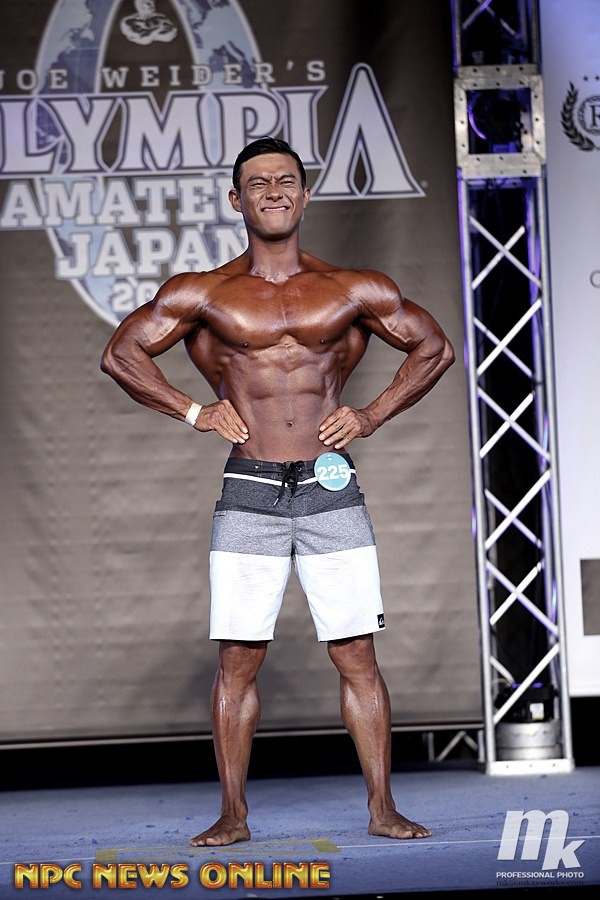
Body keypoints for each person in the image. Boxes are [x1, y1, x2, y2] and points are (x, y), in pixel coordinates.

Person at [100, 136, 455, 847]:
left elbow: (435, 347)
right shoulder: (202, 292)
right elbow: (120, 354)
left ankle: (382, 807)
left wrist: (371, 415)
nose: (273, 190)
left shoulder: (351, 288)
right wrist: (194, 412)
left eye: (285, 180)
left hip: (330, 486)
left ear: (305, 194)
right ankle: (233, 813)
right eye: (258, 182)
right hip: (249, 488)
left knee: (357, 653)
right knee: (238, 658)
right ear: (237, 199)